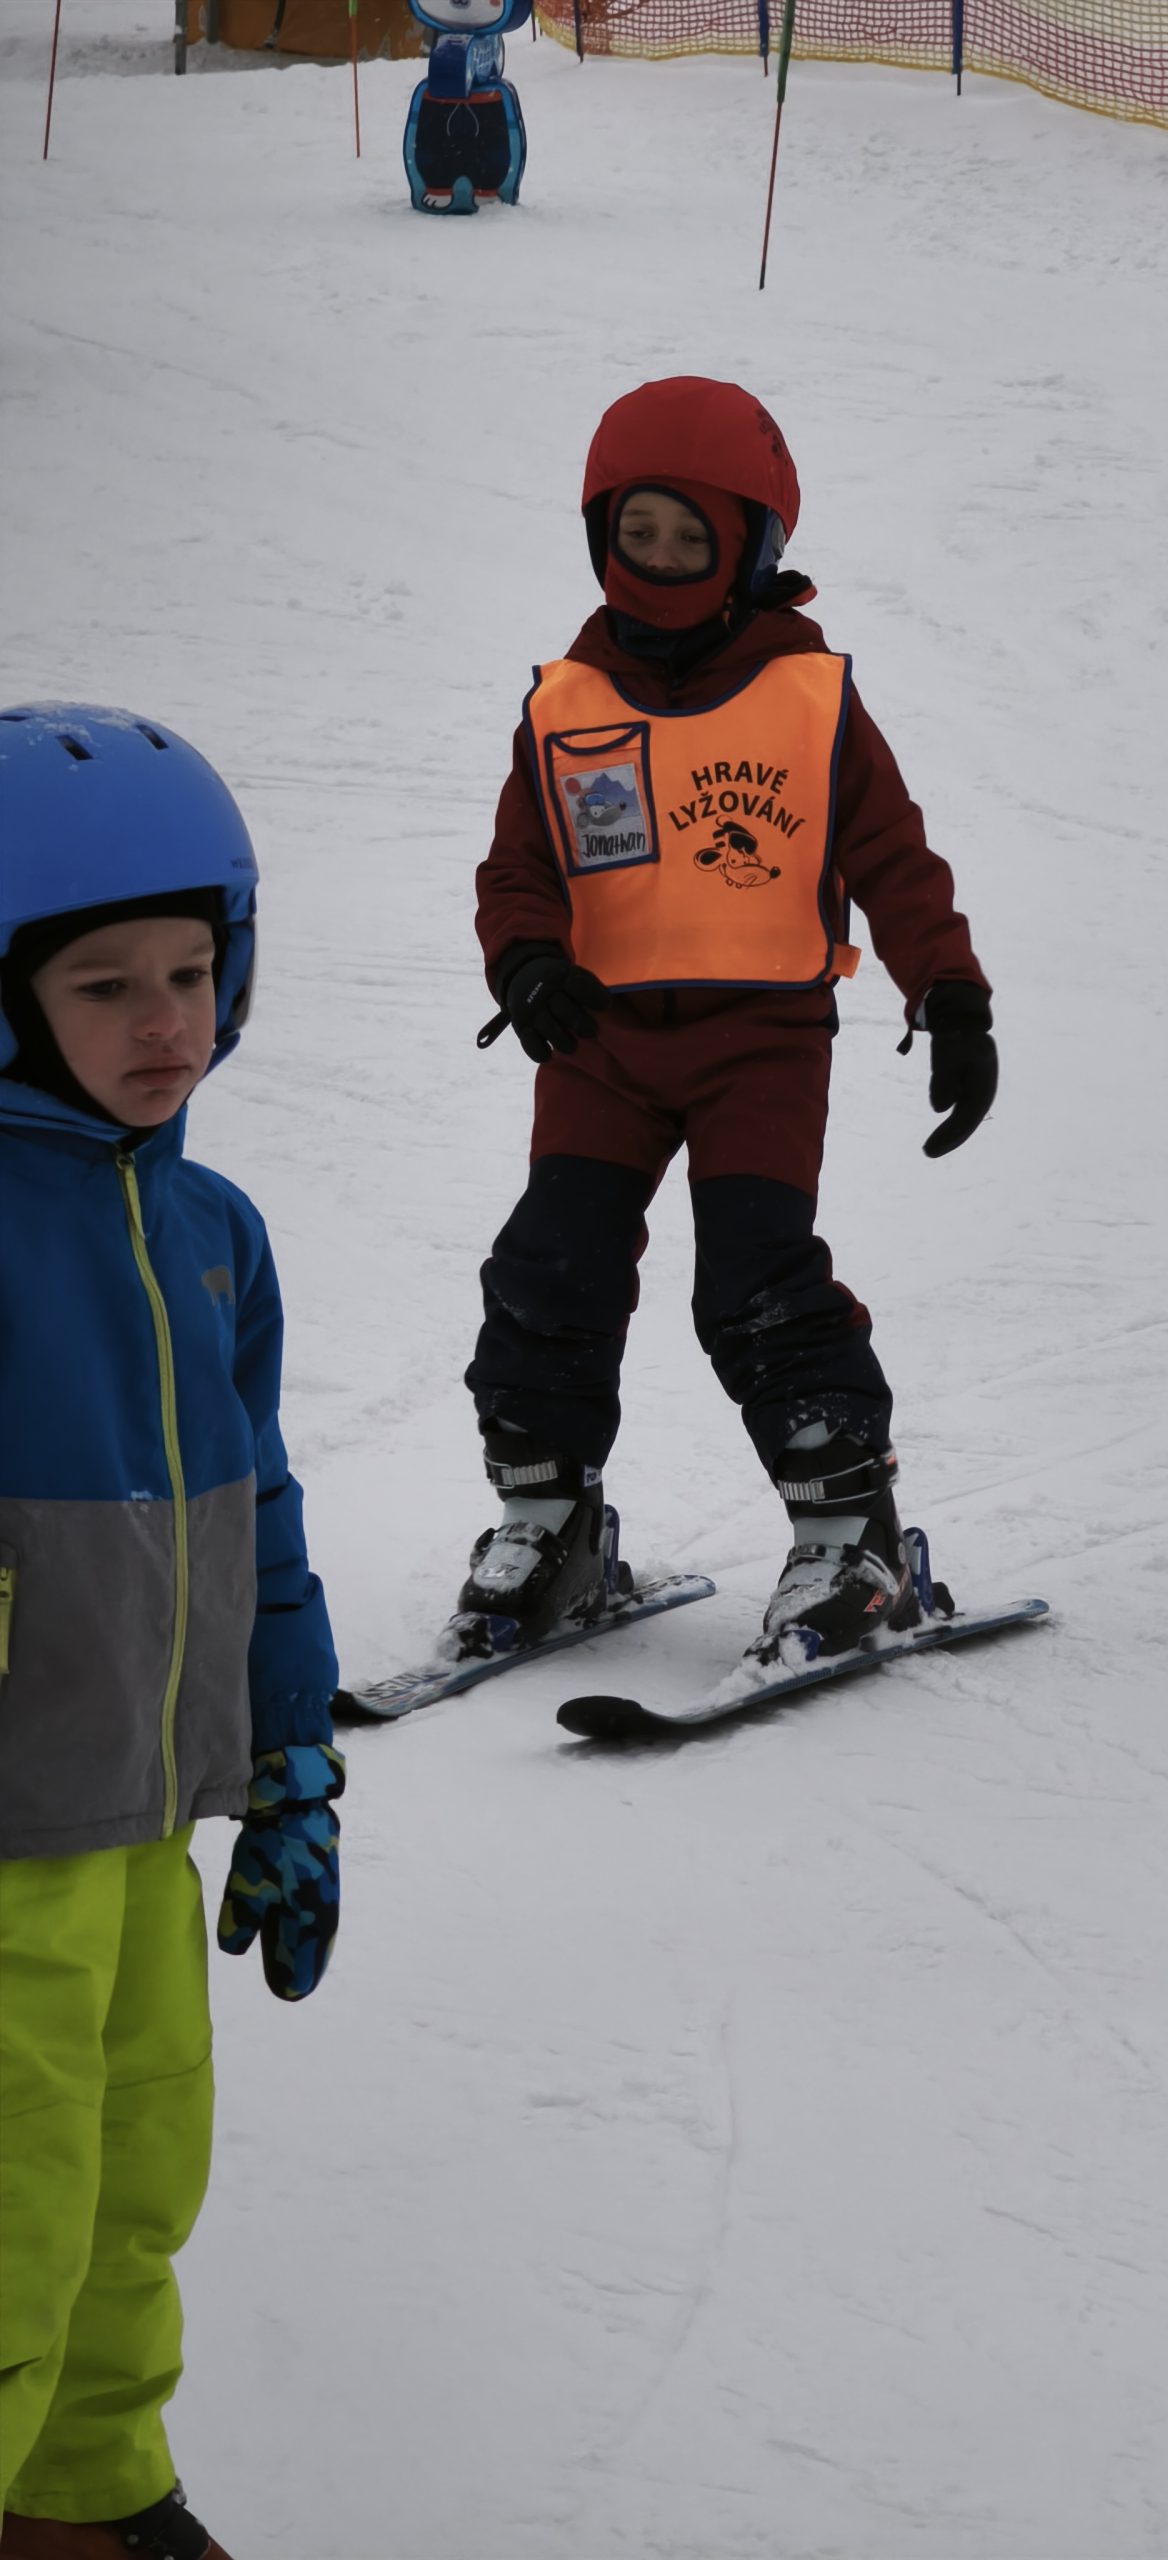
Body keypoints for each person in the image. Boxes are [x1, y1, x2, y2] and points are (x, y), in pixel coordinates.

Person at [463, 376, 999, 1663]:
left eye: (688, 538)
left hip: (759, 1043)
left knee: (755, 1279)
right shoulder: (568, 702)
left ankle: (850, 1533)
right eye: (634, 532)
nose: (657, 560)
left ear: (750, 548)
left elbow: (894, 855)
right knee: (551, 1265)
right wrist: (525, 963)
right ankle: (548, 1517)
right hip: (599, 1043)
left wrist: (950, 993)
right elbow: (518, 867)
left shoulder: (808, 697)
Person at [0, 705, 343, 2560]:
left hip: (141, 1827)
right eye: (104, 985)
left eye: (192, 973)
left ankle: (86, 2493)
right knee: (5, 2212)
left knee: (136, 2177)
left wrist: (293, 1758)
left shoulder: (213, 1230)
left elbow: (257, 1513)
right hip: (4, 1840)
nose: (164, 1024)